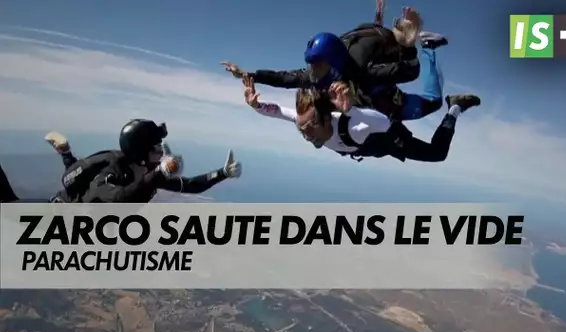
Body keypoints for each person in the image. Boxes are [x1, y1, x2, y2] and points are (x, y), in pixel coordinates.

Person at [221, 7, 447, 122]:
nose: (312, 71)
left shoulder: (363, 71)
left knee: (434, 103)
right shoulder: (320, 71)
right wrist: (248, 74)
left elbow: (411, 71)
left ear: (334, 64)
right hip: (370, 50)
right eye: (312, 64)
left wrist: (410, 44)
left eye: (317, 65)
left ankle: (428, 45)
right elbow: (285, 78)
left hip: (383, 94)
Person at [241, 76, 480, 163]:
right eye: (302, 129)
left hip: (388, 137)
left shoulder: (354, 127)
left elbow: (384, 123)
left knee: (436, 154)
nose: (305, 133)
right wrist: (256, 105)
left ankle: (455, 107)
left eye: (310, 127)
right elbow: (279, 112)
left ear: (327, 119)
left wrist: (352, 110)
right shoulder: (305, 122)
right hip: (369, 143)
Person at [81, 119, 242, 203]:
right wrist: (158, 173)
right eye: (156, 147)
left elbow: (191, 185)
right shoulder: (111, 170)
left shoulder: (148, 172)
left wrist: (223, 173)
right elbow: (120, 198)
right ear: (142, 151)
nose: (161, 153)